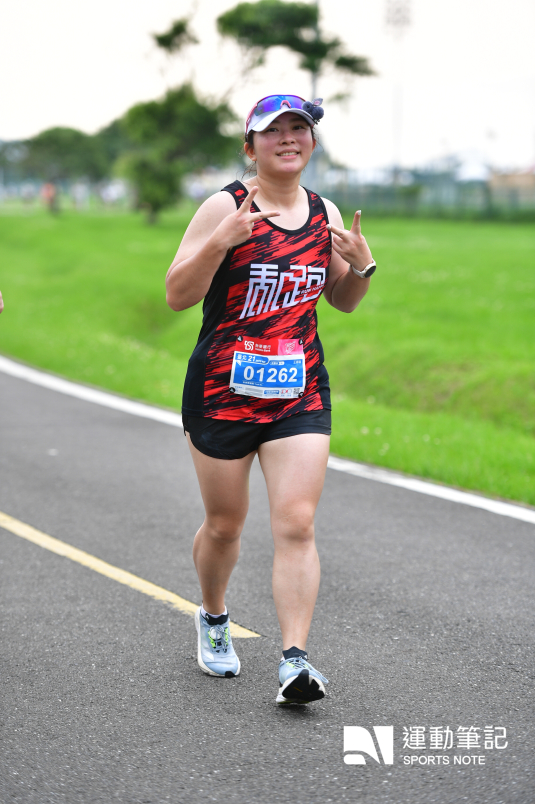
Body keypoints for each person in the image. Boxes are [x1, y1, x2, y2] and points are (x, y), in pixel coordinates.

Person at [166, 94, 376, 704]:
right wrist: (221, 242)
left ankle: (294, 661)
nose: (288, 139)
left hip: (298, 391)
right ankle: (213, 615)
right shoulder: (224, 206)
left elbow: (341, 300)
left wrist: (362, 269)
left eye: (299, 129)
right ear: (250, 145)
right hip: (221, 392)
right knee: (225, 525)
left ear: (312, 142)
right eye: (273, 130)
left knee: (296, 523)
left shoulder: (323, 211)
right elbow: (178, 294)